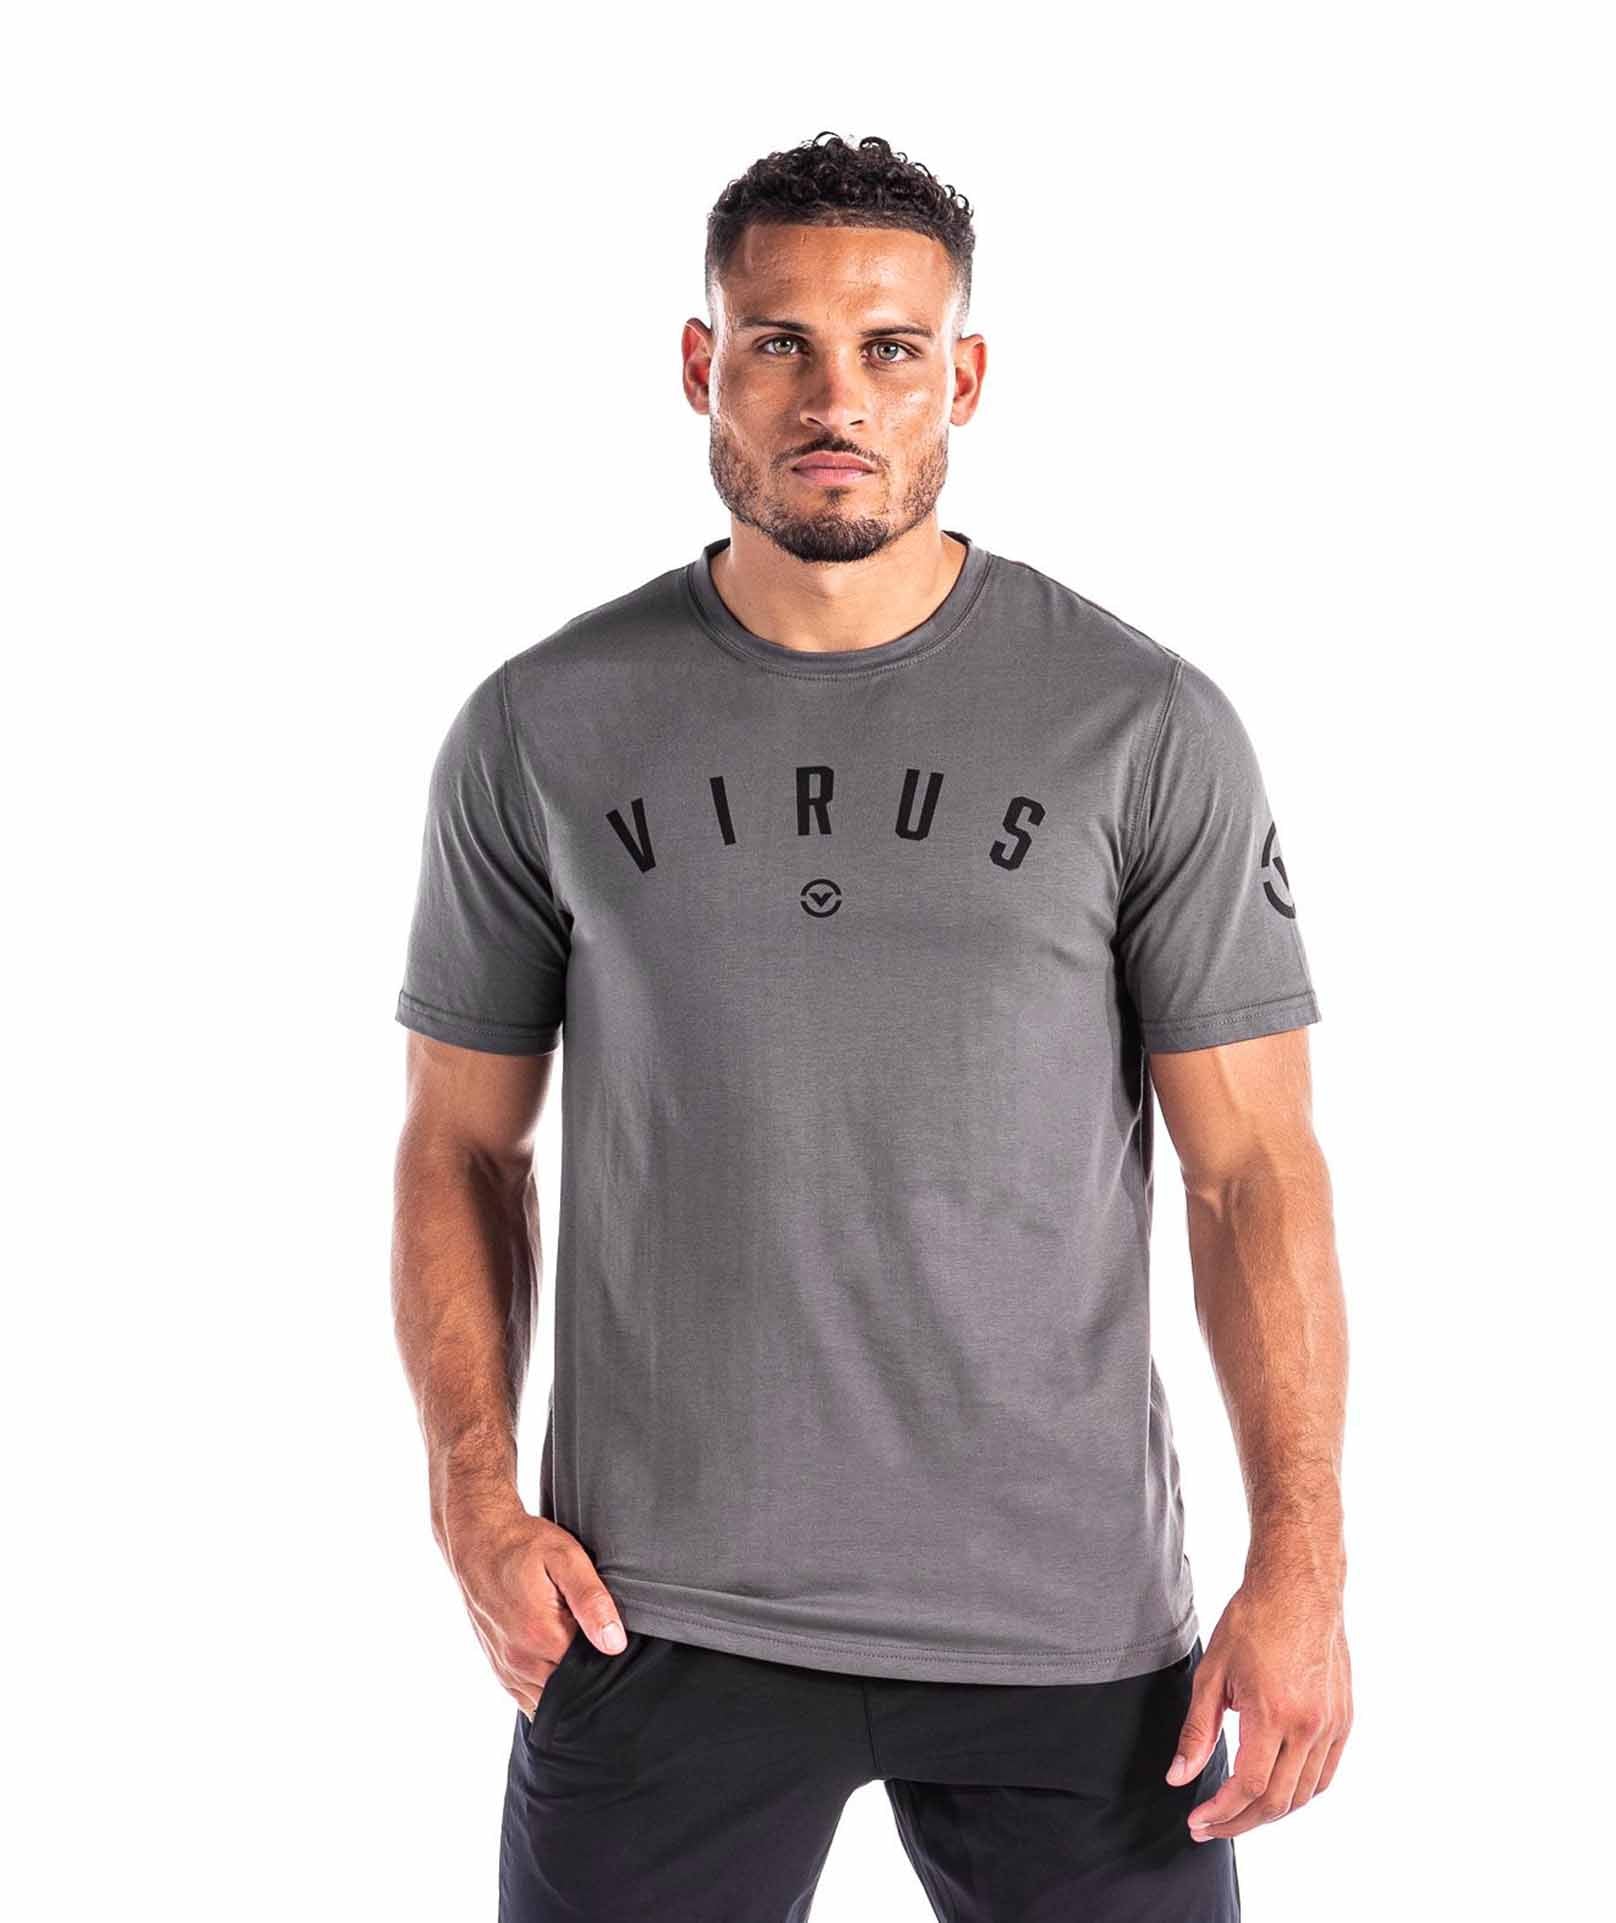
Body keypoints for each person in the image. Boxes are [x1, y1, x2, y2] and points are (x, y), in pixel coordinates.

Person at [391, 130, 1352, 1923]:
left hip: (1062, 1627)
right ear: (704, 362)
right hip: (656, 1611)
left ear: (960, 377)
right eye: (781, 343)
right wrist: (469, 1497)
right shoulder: (544, 723)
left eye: (890, 348)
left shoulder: (1140, 723)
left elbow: (1250, 1174)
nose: (835, 398)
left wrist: (1299, 1557)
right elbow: (461, 1144)